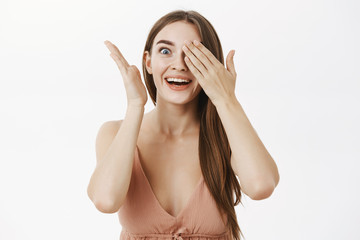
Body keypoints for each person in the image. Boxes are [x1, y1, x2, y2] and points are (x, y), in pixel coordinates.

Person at [87, 10, 280, 240]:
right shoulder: (114, 133)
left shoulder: (227, 135)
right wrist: (135, 106)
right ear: (148, 62)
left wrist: (226, 98)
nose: (179, 65)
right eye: (166, 51)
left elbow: (262, 186)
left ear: (212, 65)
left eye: (193, 54)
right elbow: (106, 200)